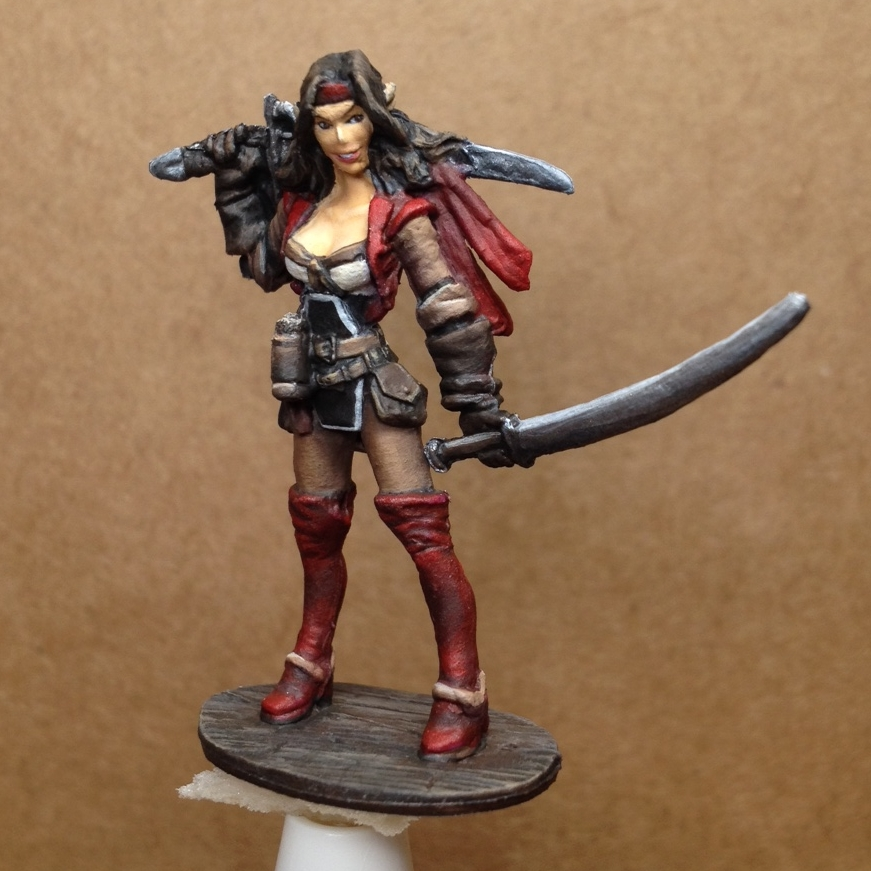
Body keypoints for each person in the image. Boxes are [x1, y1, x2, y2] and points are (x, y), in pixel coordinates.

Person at [205, 50, 533, 760]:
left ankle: (463, 689)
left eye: (353, 118)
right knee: (316, 530)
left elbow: (447, 308)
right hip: (309, 388)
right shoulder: (300, 207)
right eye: (325, 124)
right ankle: (311, 661)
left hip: (374, 384)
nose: (342, 136)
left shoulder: (400, 214)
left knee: (423, 534)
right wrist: (233, 178)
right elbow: (263, 265)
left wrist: (476, 403)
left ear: (376, 117)